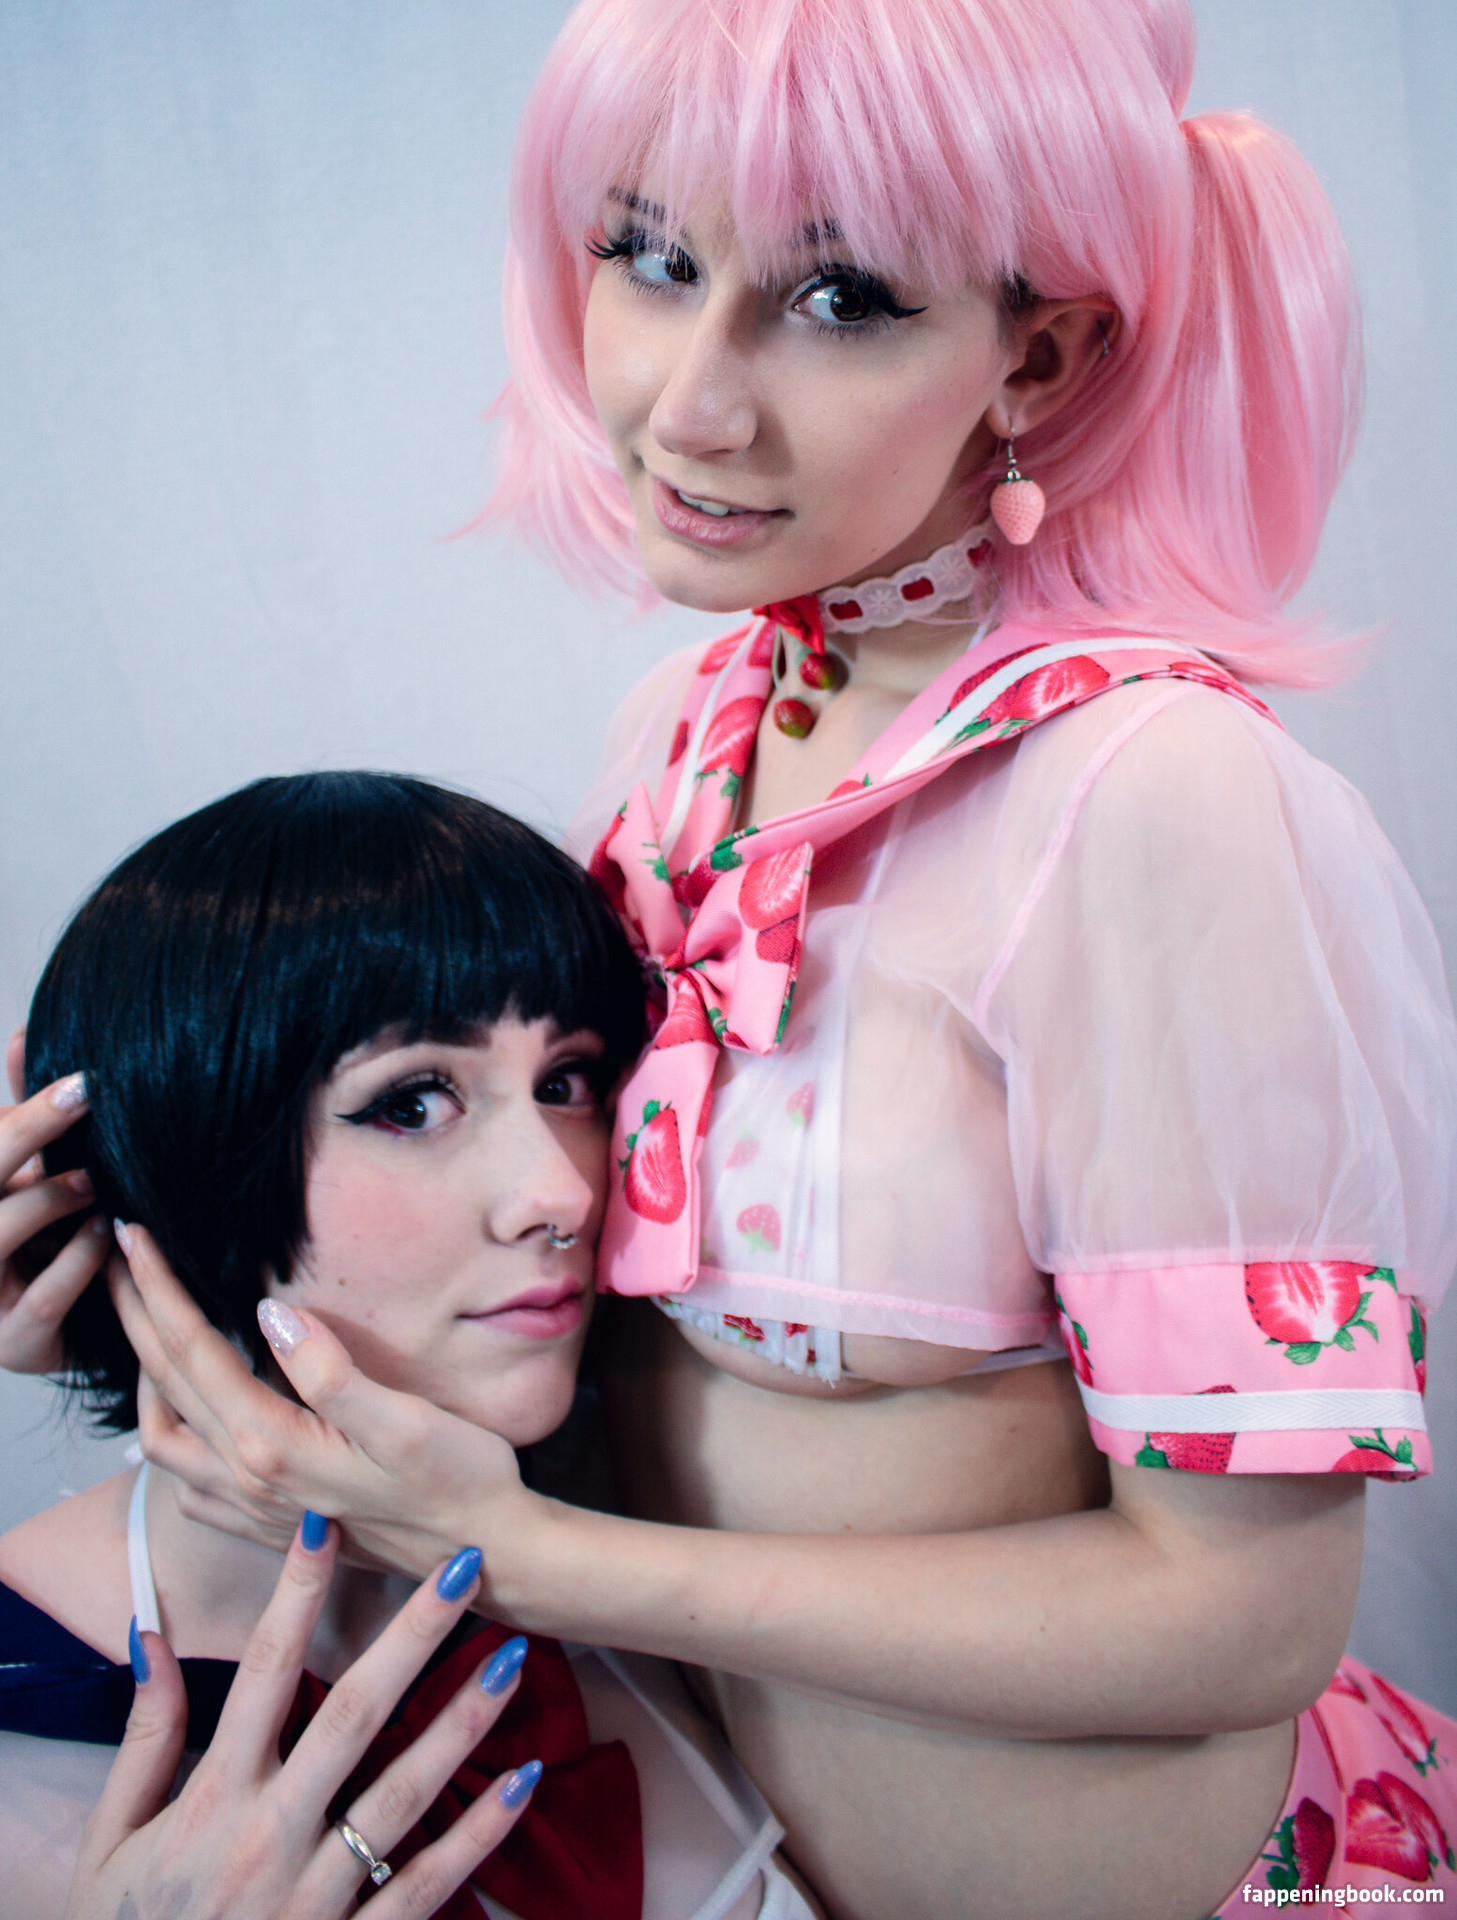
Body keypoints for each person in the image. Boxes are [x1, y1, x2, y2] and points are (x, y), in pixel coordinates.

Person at [13, 0, 1457, 1914]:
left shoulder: (1147, 800)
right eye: (650, 258)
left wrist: (531, 1563)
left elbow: (1240, 1622)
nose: (689, 403)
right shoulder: (680, 737)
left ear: (1035, 355)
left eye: (840, 297)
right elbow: (585, 1347)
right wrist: (146, 1302)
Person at [0, 771, 812, 1920]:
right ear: (181, 1148)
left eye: (567, 1081)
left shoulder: (670, 1478)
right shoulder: (32, 1697)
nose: (560, 1194)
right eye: (413, 1104)